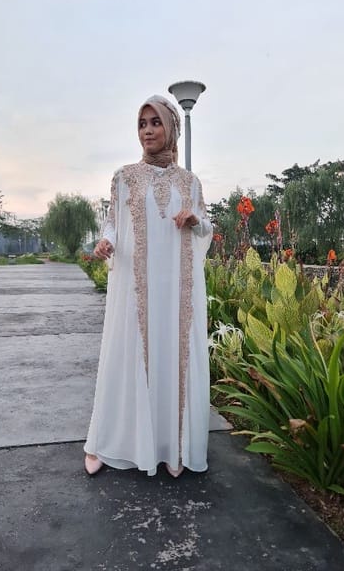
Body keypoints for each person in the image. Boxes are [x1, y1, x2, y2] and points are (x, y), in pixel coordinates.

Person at [83, 94, 213, 478]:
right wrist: (106, 241)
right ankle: (109, 441)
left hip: (175, 285)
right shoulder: (124, 177)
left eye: (155, 123)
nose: (148, 131)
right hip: (135, 285)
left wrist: (194, 221)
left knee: (172, 352)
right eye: (142, 124)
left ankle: (171, 445)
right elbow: (113, 221)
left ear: (171, 128)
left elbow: (206, 226)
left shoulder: (190, 182)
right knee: (129, 352)